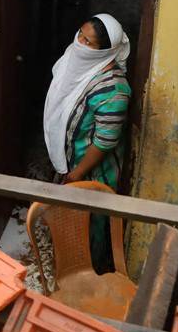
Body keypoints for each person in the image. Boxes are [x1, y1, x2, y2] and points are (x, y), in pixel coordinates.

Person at [42, 14, 131, 269]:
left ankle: (91, 274)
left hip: (92, 171)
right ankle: (66, 262)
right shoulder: (75, 58)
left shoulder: (114, 89)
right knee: (68, 218)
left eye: (88, 42)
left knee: (91, 224)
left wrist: (77, 173)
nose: (79, 43)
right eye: (80, 34)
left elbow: (104, 142)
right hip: (70, 162)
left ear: (105, 51)